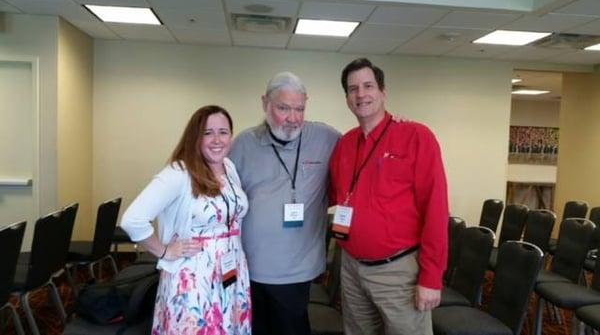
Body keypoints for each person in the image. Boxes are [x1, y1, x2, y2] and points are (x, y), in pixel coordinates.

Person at [329, 58, 449, 335]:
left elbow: (436, 209)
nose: (361, 94)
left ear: (383, 92)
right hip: (351, 268)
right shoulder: (345, 144)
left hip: (398, 272)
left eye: (368, 86)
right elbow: (330, 194)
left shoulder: (416, 136)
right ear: (346, 97)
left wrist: (431, 277)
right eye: (353, 88)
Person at [120, 105, 251, 335]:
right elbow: (132, 220)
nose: (217, 139)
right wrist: (164, 251)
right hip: (194, 277)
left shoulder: (228, 167)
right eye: (208, 133)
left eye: (223, 131)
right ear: (195, 137)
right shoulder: (179, 172)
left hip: (231, 271)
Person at [229, 72, 340, 335]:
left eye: (299, 108)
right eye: (283, 108)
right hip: (250, 266)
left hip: (296, 270)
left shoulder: (326, 138)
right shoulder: (244, 144)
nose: (293, 118)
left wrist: (394, 125)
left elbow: (363, 147)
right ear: (265, 103)